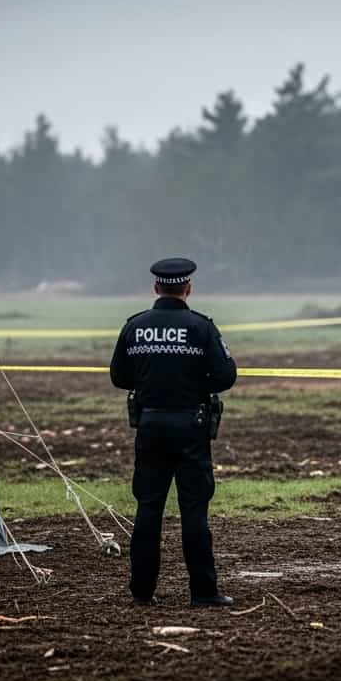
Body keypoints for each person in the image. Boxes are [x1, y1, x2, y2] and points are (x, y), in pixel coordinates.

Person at [110, 257, 237, 607]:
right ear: (188, 288)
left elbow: (119, 377)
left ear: (156, 287)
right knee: (194, 510)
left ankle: (142, 590)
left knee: (148, 509)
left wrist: (150, 382)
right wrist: (194, 383)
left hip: (150, 425)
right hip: (191, 427)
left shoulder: (135, 326)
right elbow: (226, 376)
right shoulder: (201, 327)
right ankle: (203, 592)